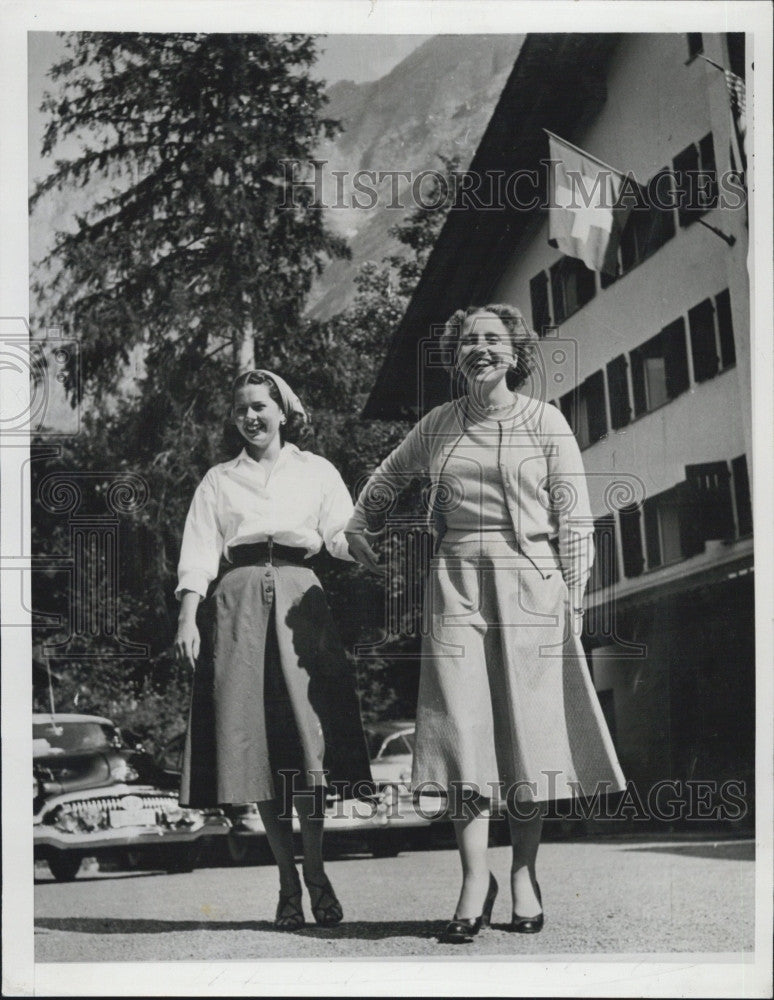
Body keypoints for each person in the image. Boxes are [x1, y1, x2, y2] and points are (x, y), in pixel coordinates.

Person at [346, 304, 626, 944]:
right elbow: (388, 478)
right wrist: (360, 523)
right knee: (458, 734)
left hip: (530, 584)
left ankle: (524, 874)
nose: (480, 349)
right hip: (455, 586)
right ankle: (475, 880)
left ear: (515, 352)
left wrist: (575, 601)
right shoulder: (438, 425)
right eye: (469, 340)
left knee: (526, 735)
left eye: (493, 339)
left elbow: (575, 519)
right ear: (456, 353)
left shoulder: (546, 422)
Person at [174, 369, 372, 930]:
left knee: (307, 749)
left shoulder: (316, 471)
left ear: (283, 411)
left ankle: (316, 872)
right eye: (241, 410)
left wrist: (363, 545)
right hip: (235, 607)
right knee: (255, 747)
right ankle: (286, 880)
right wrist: (188, 616)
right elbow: (199, 553)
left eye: (260, 406)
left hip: (299, 602)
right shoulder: (219, 479)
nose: (250, 417)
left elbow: (339, 534)